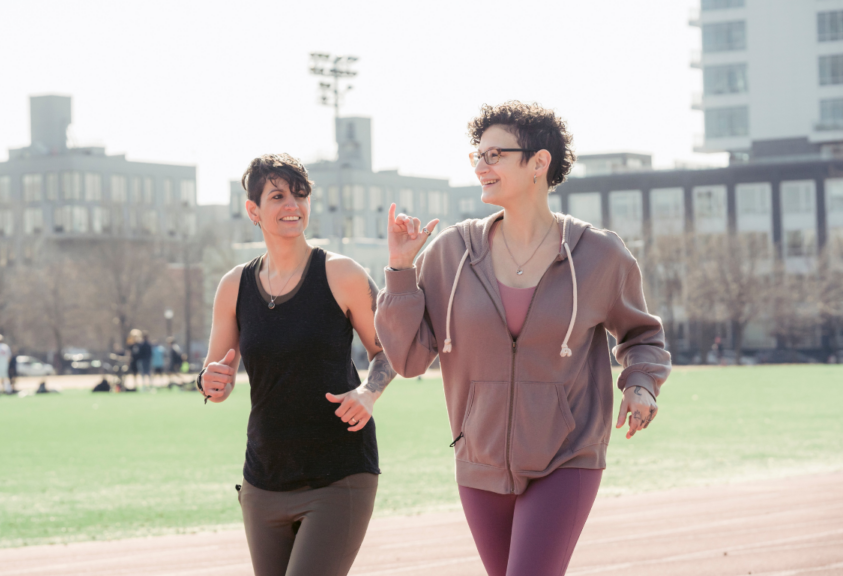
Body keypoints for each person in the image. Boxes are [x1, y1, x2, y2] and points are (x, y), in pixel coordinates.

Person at [374, 102, 671, 576]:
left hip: (568, 455)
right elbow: (409, 359)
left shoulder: (598, 254)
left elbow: (642, 335)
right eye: (478, 155)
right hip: (479, 459)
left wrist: (641, 384)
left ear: (538, 163)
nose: (480, 166)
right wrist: (400, 271)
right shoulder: (450, 253)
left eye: (495, 155)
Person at [198, 153, 397, 576]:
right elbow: (218, 379)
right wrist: (209, 380)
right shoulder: (233, 286)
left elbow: (391, 348)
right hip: (262, 480)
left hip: (338, 474)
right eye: (278, 196)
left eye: (300, 195)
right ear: (253, 210)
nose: (293, 205)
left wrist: (369, 392)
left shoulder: (341, 273)